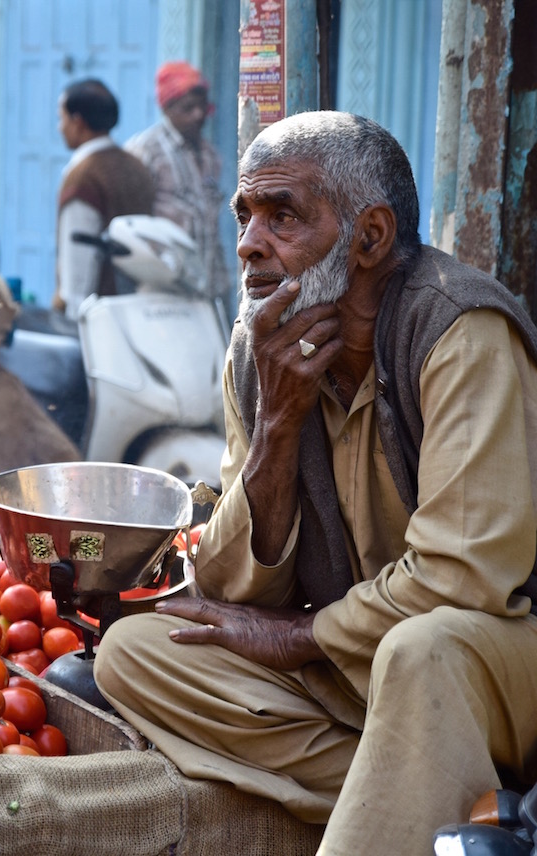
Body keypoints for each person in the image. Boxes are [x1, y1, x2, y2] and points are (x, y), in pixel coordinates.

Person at [93, 111, 537, 856]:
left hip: (490, 663)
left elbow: (465, 579)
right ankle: (427, 795)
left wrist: (299, 636)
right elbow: (234, 591)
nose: (248, 245)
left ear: (370, 237)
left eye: (283, 217)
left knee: (421, 648)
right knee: (137, 650)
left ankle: (415, 793)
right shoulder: (259, 350)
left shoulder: (459, 331)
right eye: (244, 217)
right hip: (352, 670)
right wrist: (278, 425)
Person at [126, 61, 231, 300]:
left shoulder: (210, 154)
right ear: (168, 109)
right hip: (164, 283)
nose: (198, 115)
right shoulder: (145, 150)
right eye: (188, 108)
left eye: (202, 107)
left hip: (208, 283)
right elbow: (132, 221)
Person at [54, 79, 154, 319]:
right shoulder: (135, 165)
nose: (60, 127)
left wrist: (75, 319)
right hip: (137, 308)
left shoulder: (83, 177)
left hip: (100, 318)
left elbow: (78, 268)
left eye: (62, 118)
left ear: (78, 123)